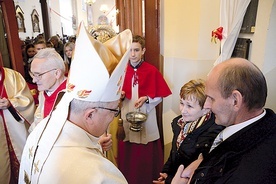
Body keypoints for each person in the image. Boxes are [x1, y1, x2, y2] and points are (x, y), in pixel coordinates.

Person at [18, 23, 132, 184]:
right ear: (90, 114)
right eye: (114, 111)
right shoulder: (97, 173)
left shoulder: (40, 132)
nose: (113, 117)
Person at [171, 58, 276, 184]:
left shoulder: (245, 172)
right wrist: (203, 164)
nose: (207, 106)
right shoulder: (266, 125)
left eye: (211, 98)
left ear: (235, 100)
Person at [117, 35, 172, 184]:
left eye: (136, 50)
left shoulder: (151, 70)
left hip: (146, 115)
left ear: (143, 50)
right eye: (130, 50)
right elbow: (112, 93)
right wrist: (120, 96)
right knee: (128, 150)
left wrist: (147, 98)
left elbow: (160, 95)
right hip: (127, 113)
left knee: (145, 152)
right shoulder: (121, 71)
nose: (133, 54)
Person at [153, 79, 224, 184]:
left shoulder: (213, 132)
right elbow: (174, 153)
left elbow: (200, 171)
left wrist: (169, 180)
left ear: (206, 109)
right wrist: (165, 172)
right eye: (182, 103)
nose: (183, 110)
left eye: (189, 106)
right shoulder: (178, 123)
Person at [0, 66, 35, 184]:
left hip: (16, 129)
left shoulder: (13, 76)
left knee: (23, 163)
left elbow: (27, 99)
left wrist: (11, 102)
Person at [28, 48, 67, 131]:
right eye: (33, 74)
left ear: (57, 73)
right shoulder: (43, 92)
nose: (34, 80)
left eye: (38, 75)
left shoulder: (72, 95)